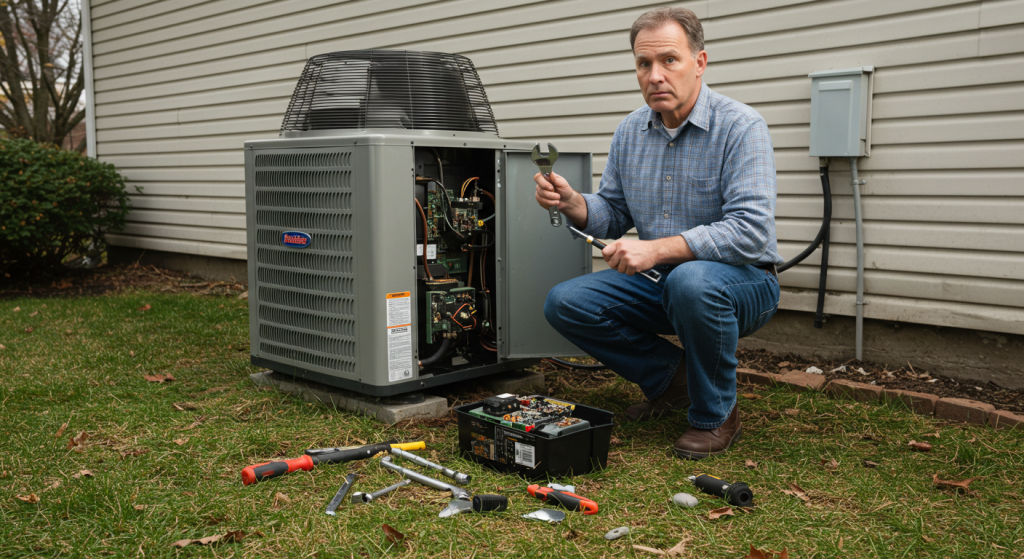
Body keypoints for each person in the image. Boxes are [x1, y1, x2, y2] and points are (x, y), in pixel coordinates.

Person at [536, 7, 783, 460]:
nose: (655, 75)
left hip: (742, 283)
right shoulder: (631, 131)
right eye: (643, 64)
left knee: (692, 281)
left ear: (699, 63)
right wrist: (574, 203)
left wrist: (656, 249)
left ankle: (716, 415)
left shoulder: (741, 127)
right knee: (565, 302)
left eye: (669, 60)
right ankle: (673, 378)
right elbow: (611, 213)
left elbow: (750, 232)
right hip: (661, 283)